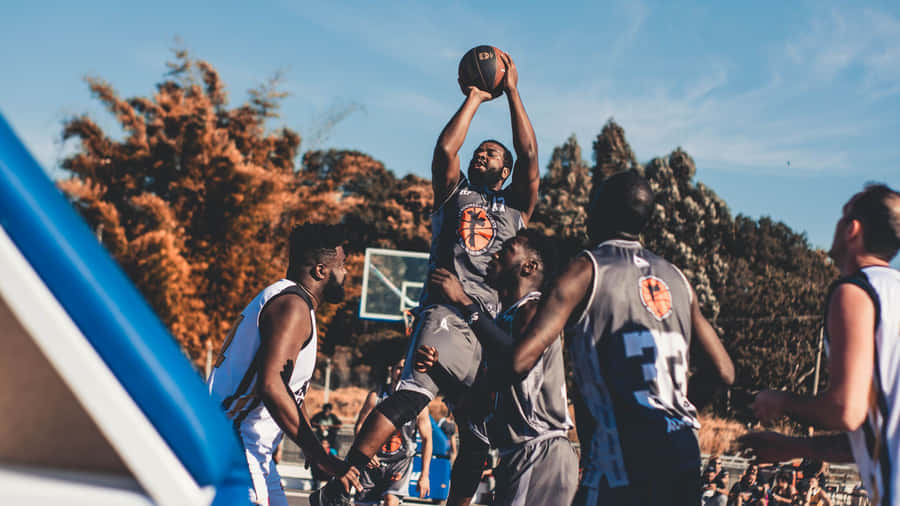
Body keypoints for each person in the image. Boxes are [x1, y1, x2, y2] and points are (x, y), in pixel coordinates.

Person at [312, 51, 539, 506]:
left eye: (491, 153)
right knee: (410, 397)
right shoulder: (455, 194)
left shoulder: (516, 209)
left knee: (475, 434)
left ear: (505, 171)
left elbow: (531, 155)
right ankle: (346, 480)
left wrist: (512, 91)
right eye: (479, 150)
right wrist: (476, 95)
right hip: (446, 311)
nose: (481, 154)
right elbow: (446, 150)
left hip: (489, 325)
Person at [483, 171, 735, 506]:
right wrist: (669, 414)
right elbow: (724, 372)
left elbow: (519, 362)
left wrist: (477, 383)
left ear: (598, 212)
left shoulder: (586, 270)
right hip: (683, 450)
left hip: (626, 450)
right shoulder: (677, 277)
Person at [738, 184, 900, 506]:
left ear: (852, 229)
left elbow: (846, 410)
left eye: (842, 217)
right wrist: (795, 447)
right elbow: (871, 435)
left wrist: (781, 400)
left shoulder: (855, 293)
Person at [416, 229, 579, 506]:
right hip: (518, 454)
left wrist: (464, 302)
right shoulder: (503, 321)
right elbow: (475, 403)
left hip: (540, 449)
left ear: (529, 266)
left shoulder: (534, 309)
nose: (495, 253)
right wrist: (439, 371)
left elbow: (517, 360)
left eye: (508, 249)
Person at [206, 223, 361, 506]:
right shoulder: (293, 307)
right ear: (320, 271)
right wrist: (320, 456)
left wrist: (312, 445)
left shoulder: (290, 302)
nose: (346, 273)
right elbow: (271, 384)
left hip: (251, 448)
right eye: (342, 265)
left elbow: (286, 391)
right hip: (237, 445)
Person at [353, 358, 432, 506]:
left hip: (400, 462)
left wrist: (425, 475)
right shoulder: (376, 396)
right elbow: (360, 426)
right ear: (391, 370)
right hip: (373, 461)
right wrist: (366, 453)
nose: (402, 372)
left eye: (405, 368)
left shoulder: (419, 402)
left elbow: (427, 438)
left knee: (391, 501)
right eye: (398, 368)